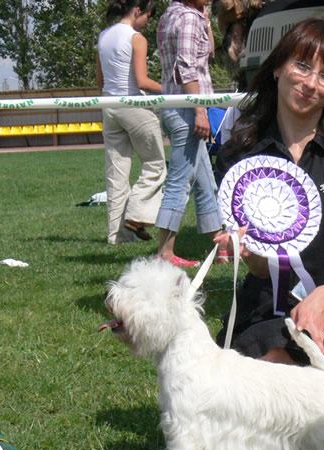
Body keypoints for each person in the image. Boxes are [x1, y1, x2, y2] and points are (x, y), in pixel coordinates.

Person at [213, 18, 324, 369]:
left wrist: (321, 301)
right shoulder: (237, 157)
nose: (311, 83)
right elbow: (263, 270)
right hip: (265, 311)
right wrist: (246, 254)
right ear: (278, 67)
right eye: (302, 65)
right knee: (274, 365)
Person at [155, 0, 225, 268]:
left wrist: (205, 19)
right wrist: (199, 111)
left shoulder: (170, 16)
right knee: (179, 183)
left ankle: (220, 242)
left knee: (205, 180)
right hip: (187, 108)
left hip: (173, 108)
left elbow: (208, 52)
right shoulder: (188, 18)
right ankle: (164, 254)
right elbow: (187, 66)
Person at [97, 0, 166, 244]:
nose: (148, 22)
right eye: (148, 15)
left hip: (109, 106)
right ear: (138, 11)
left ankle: (117, 236)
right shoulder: (136, 39)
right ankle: (136, 217)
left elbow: (100, 80)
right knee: (156, 163)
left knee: (116, 174)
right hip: (133, 106)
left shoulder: (103, 36)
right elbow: (143, 82)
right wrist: (172, 89)